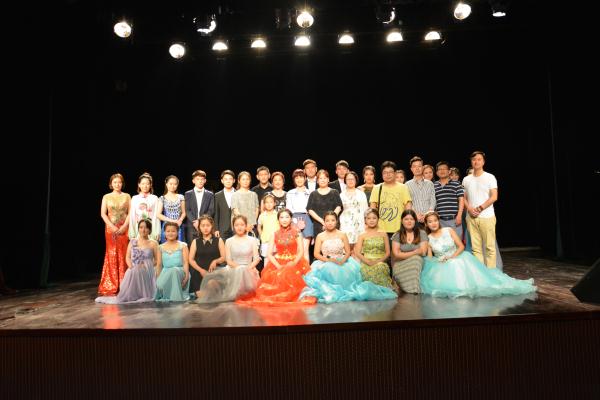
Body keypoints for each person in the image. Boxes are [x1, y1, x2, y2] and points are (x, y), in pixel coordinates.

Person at [421, 211, 536, 298]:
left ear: (438, 221)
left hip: (456, 257)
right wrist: (437, 262)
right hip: (442, 263)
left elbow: (461, 246)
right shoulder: (428, 238)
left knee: (457, 265)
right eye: (430, 222)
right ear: (426, 224)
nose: (433, 223)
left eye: (435, 220)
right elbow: (430, 257)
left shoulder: (448, 230)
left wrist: (452, 257)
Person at [299, 212, 397, 304]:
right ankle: (331, 292)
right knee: (328, 268)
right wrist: (328, 260)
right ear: (324, 222)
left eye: (332, 220)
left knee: (343, 271)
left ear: (336, 221)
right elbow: (316, 254)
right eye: (327, 220)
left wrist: (342, 260)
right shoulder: (320, 236)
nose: (330, 223)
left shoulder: (342, 234)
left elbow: (347, 251)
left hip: (342, 260)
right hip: (325, 261)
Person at [237, 209, 315, 306]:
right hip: (278, 262)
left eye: (287, 217)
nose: (284, 219)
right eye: (281, 217)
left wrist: (294, 263)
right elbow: (269, 254)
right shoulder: (274, 234)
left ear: (291, 219)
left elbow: (301, 251)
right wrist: (278, 266)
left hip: (294, 262)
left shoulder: (297, 233)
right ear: (278, 220)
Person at [196, 215, 260, 303]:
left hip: (249, 268)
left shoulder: (252, 240)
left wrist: (246, 269)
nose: (239, 227)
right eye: (236, 225)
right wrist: (240, 268)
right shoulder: (229, 241)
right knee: (212, 280)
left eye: (242, 225)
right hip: (233, 268)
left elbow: (256, 259)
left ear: (246, 226)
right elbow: (228, 260)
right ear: (233, 226)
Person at [96, 219, 159, 304]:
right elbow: (128, 257)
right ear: (138, 229)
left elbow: (157, 260)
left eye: (146, 228)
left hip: (147, 269)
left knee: (139, 270)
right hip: (134, 267)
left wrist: (148, 265)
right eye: (141, 227)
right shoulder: (133, 242)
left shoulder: (153, 243)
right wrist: (132, 266)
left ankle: (143, 293)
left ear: (150, 230)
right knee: (133, 271)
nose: (143, 230)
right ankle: (132, 294)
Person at [462, 151, 498, 268]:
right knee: (476, 249)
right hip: (471, 217)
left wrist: (480, 208)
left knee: (489, 248)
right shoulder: (466, 179)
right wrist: (469, 209)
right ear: (471, 161)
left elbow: (494, 196)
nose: (476, 162)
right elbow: (463, 198)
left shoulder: (490, 177)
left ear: (483, 162)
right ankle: (481, 274)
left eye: (479, 159)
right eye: (474, 159)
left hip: (487, 216)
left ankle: (491, 273)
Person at [98, 173, 131, 296]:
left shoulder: (127, 196)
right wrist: (111, 226)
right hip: (110, 229)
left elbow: (130, 213)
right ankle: (112, 283)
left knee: (124, 254)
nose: (117, 184)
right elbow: (103, 213)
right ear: (111, 184)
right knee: (112, 254)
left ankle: (124, 283)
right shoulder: (106, 196)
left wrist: (124, 226)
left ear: (122, 183)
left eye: (119, 182)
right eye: (115, 182)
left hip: (124, 229)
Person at [353, 208, 395, 289]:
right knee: (364, 270)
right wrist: (368, 262)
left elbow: (388, 253)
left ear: (378, 219)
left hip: (380, 262)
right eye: (369, 218)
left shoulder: (383, 234)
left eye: (374, 218)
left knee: (380, 268)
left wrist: (378, 261)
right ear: (365, 220)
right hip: (366, 262)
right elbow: (357, 252)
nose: (371, 220)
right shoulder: (362, 235)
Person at [369, 161, 412, 239]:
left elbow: (408, 207)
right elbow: (373, 209)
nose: (387, 174)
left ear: (395, 173)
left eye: (390, 172)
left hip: (399, 229)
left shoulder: (403, 187)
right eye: (385, 172)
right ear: (382, 174)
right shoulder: (377, 188)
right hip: (381, 229)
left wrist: (407, 224)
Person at [391, 209, 428, 294]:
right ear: (402, 221)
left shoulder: (422, 233)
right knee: (416, 258)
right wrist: (414, 252)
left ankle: (413, 289)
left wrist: (403, 254)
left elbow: (423, 252)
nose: (409, 221)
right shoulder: (397, 235)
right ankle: (405, 285)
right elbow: (396, 255)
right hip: (400, 265)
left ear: (415, 221)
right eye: (406, 219)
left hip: (418, 264)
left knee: (416, 260)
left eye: (411, 219)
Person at [188, 215, 226, 295]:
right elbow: (191, 260)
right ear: (199, 227)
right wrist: (201, 270)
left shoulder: (219, 240)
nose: (205, 228)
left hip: (214, 272)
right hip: (199, 273)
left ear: (212, 226)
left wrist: (215, 261)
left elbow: (223, 257)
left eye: (208, 225)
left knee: (211, 287)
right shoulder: (195, 241)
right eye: (203, 226)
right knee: (202, 295)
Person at [155, 222, 190, 301]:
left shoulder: (183, 245)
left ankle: (176, 299)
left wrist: (187, 276)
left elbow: (185, 262)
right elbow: (159, 264)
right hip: (165, 272)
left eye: (173, 231)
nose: (170, 233)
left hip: (180, 271)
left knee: (174, 270)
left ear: (177, 232)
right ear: (164, 232)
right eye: (168, 231)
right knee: (160, 284)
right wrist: (158, 278)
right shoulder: (160, 247)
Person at [286, 169, 313, 262]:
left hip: (307, 219)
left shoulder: (310, 192)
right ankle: (297, 270)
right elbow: (289, 208)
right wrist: (295, 222)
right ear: (294, 180)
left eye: (301, 177)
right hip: (293, 219)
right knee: (296, 249)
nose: (299, 179)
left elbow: (311, 208)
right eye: (296, 177)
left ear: (305, 178)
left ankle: (306, 271)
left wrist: (305, 219)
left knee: (305, 249)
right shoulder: (290, 192)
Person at [433, 161, 464, 238]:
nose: (442, 171)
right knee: (443, 243)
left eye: (444, 169)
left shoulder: (456, 184)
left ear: (449, 171)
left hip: (454, 220)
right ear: (437, 172)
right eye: (440, 169)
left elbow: (461, 200)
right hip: (440, 221)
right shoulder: (434, 185)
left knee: (457, 242)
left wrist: (459, 216)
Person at [307, 169, 343, 235]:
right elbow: (310, 210)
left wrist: (330, 220)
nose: (323, 180)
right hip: (319, 225)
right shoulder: (313, 194)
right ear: (317, 181)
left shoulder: (335, 192)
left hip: (333, 224)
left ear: (328, 179)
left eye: (325, 178)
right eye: (320, 178)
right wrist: (323, 222)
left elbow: (339, 207)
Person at [184, 170, 215, 246]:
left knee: (205, 247)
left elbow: (211, 210)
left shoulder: (210, 194)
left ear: (205, 181)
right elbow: (187, 210)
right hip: (191, 226)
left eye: (202, 179)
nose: (200, 181)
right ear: (193, 181)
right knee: (191, 247)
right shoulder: (188, 194)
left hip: (205, 226)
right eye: (197, 179)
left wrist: (200, 221)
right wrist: (195, 222)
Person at [339, 171, 368, 250]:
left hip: (359, 222)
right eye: (348, 179)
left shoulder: (361, 194)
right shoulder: (341, 195)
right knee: (347, 245)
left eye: (352, 179)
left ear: (356, 180)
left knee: (358, 246)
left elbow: (366, 209)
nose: (350, 181)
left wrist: (366, 223)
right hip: (345, 222)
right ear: (345, 181)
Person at [128, 172, 161, 241]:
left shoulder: (155, 198)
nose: (145, 186)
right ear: (139, 185)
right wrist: (132, 232)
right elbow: (132, 216)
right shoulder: (135, 198)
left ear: (150, 185)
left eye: (147, 184)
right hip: (138, 228)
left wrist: (157, 232)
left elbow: (156, 216)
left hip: (151, 228)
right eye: (143, 184)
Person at [405, 156, 436, 226]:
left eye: (419, 166)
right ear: (411, 169)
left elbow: (433, 200)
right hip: (414, 219)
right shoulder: (407, 185)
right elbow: (408, 203)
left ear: (422, 167)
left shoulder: (430, 183)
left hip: (429, 219)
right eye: (414, 166)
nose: (417, 168)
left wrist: (428, 214)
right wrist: (415, 214)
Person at [157, 175, 185, 243]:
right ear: (166, 184)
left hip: (178, 226)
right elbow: (158, 215)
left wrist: (180, 220)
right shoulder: (162, 198)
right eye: (170, 184)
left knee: (178, 247)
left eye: (175, 184)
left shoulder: (181, 197)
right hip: (167, 227)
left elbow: (184, 212)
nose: (172, 186)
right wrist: (172, 221)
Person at [213, 169, 236, 242]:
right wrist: (216, 229)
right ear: (222, 181)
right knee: (223, 248)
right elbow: (216, 213)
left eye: (230, 179)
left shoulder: (238, 194)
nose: (228, 181)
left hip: (236, 228)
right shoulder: (217, 195)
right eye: (225, 179)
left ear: (234, 180)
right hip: (222, 229)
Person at [257, 194, 279, 259]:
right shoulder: (262, 215)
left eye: (271, 202)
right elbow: (259, 226)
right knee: (266, 259)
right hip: (265, 241)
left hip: (276, 241)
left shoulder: (278, 214)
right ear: (264, 204)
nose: (269, 204)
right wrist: (261, 235)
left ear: (274, 203)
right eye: (266, 202)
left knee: (276, 259)